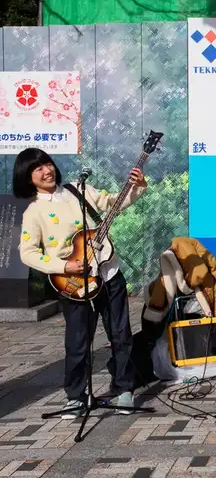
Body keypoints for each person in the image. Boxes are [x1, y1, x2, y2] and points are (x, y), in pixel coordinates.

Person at [14, 148, 147, 418]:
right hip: (73, 284)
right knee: (77, 342)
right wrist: (65, 266)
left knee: (120, 335)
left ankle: (124, 389)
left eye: (47, 164)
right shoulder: (34, 212)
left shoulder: (78, 190)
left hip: (108, 274)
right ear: (28, 178)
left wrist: (137, 187)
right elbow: (27, 252)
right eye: (37, 169)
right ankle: (76, 396)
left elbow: (113, 203)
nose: (46, 171)